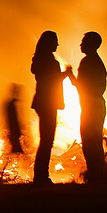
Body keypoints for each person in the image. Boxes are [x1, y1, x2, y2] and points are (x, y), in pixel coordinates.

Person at [30, 31, 72, 184]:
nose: (57, 44)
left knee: (46, 140)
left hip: (43, 102)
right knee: (47, 141)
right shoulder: (47, 59)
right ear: (49, 43)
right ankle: (41, 176)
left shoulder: (41, 58)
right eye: (55, 41)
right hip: (47, 102)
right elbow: (51, 79)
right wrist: (66, 74)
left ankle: (40, 175)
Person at [69, 31, 107, 183]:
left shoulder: (88, 62)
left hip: (91, 106)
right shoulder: (96, 61)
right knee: (94, 141)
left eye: (83, 41)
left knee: (90, 141)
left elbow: (82, 86)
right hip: (96, 105)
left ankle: (96, 176)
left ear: (92, 44)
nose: (80, 44)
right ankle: (98, 174)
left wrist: (70, 75)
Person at [5, 83, 24, 153]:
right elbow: (12, 119)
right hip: (13, 129)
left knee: (16, 148)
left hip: (14, 130)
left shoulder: (11, 104)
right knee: (16, 149)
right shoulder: (11, 105)